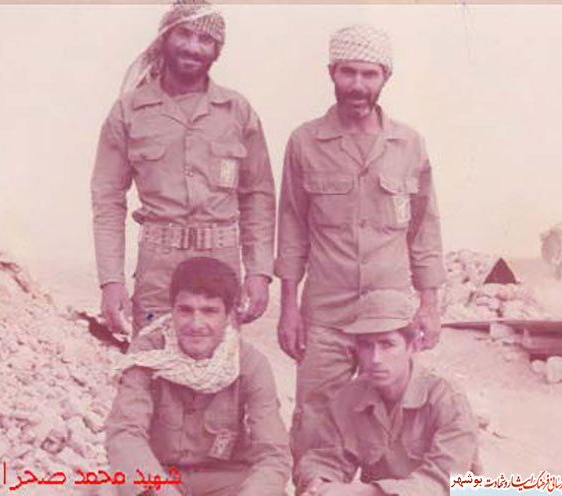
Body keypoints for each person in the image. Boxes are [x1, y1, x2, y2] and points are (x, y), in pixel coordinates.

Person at [274, 24, 446, 462]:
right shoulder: (305, 142)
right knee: (315, 419)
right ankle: (315, 487)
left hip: (390, 314)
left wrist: (429, 305)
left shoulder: (409, 144)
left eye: (369, 74)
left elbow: (424, 231)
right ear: (331, 73)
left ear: (385, 77)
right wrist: (289, 308)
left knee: (393, 420)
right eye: (348, 72)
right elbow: (291, 227)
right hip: (327, 313)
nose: (357, 84)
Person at [92, 0, 275, 335]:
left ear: (217, 50)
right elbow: (107, 199)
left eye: (205, 40)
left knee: (217, 359)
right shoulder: (129, 111)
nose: (193, 47)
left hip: (221, 262)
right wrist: (111, 280)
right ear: (165, 37)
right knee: (152, 353)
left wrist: (259, 272)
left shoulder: (237, 111)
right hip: (157, 267)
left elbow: (258, 196)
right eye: (184, 34)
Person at [105, 256, 290, 496]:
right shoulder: (147, 354)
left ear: (230, 315)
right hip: (159, 477)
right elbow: (125, 433)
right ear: (172, 310)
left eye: (209, 311)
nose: (196, 324)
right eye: (185, 310)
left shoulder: (249, 364)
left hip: (227, 482)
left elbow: (273, 454)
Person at [294, 289, 479, 496]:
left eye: (387, 344)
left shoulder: (446, 398)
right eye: (366, 345)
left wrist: (366, 492)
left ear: (413, 346)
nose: (375, 359)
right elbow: (327, 457)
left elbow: (447, 482)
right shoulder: (350, 397)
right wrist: (319, 483)